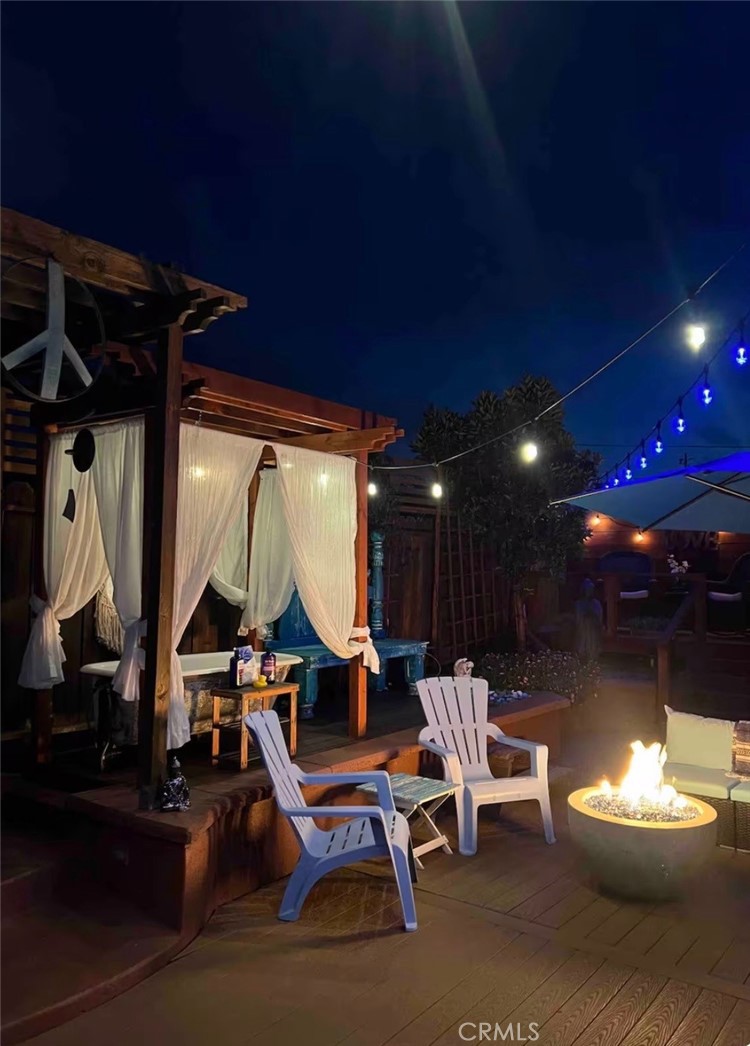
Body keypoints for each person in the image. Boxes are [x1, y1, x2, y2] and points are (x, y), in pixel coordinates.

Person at [574, 578, 603, 661]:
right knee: (582, 647)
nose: (590, 592)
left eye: (591, 590)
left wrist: (593, 617)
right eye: (588, 590)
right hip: (583, 629)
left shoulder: (596, 603)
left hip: (593, 630)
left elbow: (599, 617)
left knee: (592, 648)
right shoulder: (579, 603)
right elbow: (578, 618)